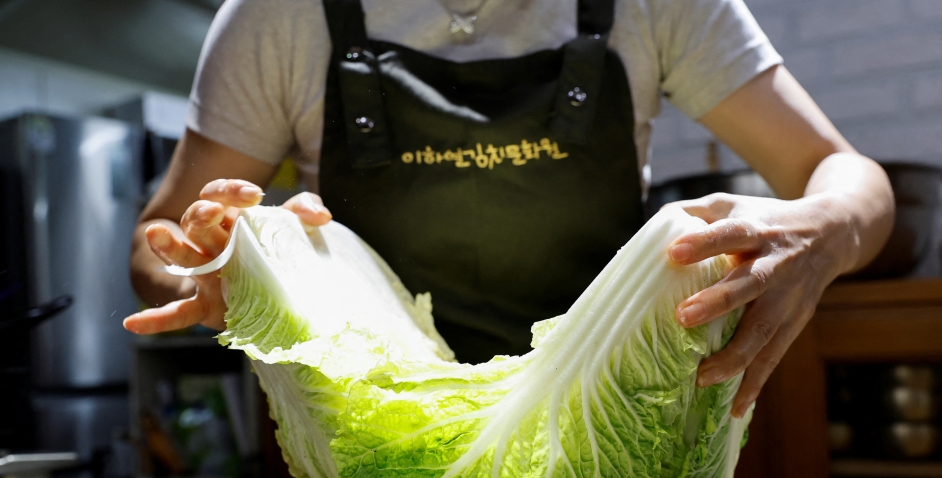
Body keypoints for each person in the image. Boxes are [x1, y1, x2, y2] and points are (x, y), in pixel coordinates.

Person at [125, 0, 894, 421]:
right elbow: (155, 250)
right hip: (367, 453)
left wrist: (827, 229)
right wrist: (213, 268)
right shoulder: (275, 17)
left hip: (609, 437)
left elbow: (848, 175)